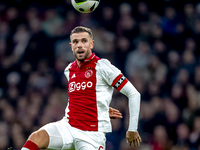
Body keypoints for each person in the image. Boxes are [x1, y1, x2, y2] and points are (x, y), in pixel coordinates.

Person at [21, 26, 142, 150]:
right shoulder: (69, 70)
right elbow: (80, 97)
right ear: (71, 46)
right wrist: (100, 108)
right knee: (36, 138)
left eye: (84, 41)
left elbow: (134, 94)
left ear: (91, 44)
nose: (79, 45)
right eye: (75, 42)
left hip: (91, 135)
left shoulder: (103, 67)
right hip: (67, 127)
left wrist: (132, 128)